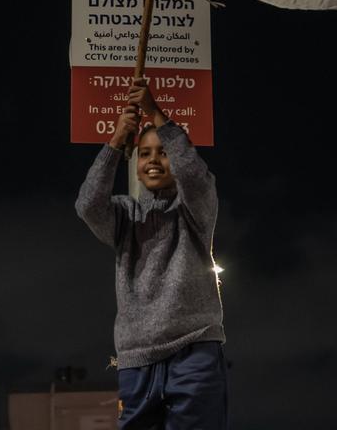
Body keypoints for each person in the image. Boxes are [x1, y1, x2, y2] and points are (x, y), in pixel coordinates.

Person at [75, 78, 227, 429]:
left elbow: (195, 175)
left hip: (195, 352)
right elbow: (87, 205)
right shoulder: (124, 216)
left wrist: (155, 113)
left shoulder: (196, 212)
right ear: (136, 163)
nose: (155, 160)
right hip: (137, 359)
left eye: (163, 152)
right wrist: (115, 142)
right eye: (145, 153)